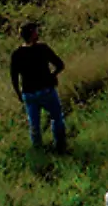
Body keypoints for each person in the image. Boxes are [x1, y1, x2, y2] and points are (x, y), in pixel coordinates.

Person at [10, 23, 67, 151]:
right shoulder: (42, 48)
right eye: (36, 31)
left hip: (28, 93)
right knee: (56, 117)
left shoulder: (17, 54)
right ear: (32, 34)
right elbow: (60, 65)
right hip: (46, 90)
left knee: (34, 124)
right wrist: (52, 76)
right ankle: (60, 145)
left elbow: (14, 77)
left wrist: (19, 93)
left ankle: (38, 149)